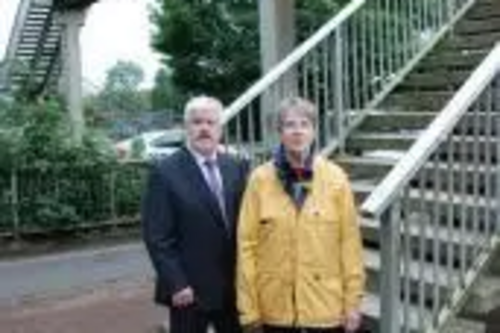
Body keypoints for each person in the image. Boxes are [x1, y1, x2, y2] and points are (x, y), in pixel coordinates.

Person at [236, 97, 366, 333]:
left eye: (305, 124)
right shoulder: (259, 180)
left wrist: (353, 304)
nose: (298, 131)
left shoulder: (336, 178)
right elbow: (246, 246)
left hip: (326, 310)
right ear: (280, 132)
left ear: (314, 131)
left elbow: (350, 245)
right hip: (274, 312)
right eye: (290, 124)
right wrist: (249, 311)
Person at [142, 96, 248, 333]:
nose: (204, 128)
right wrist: (177, 283)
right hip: (189, 291)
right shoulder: (165, 172)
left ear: (219, 129)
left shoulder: (235, 167)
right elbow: (157, 236)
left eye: (211, 123)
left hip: (232, 286)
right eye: (197, 122)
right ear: (186, 127)